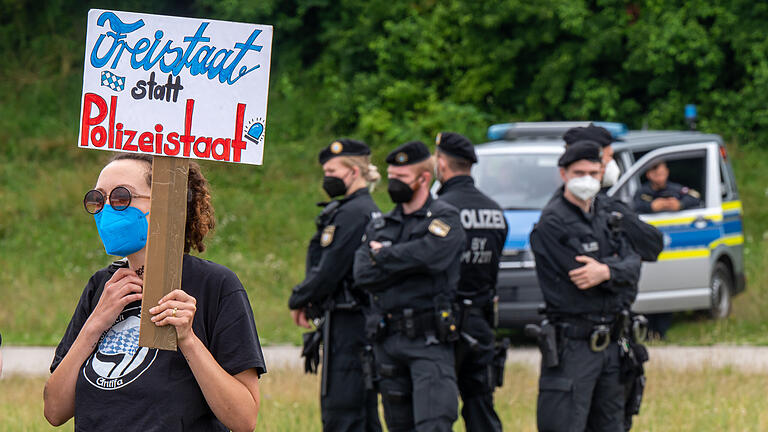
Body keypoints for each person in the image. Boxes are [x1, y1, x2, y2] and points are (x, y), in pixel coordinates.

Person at [44, 153, 266, 431]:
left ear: (165, 202)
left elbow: (244, 419)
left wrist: (188, 340)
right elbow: (54, 410)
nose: (107, 210)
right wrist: (94, 325)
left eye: (122, 197)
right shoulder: (100, 287)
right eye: (98, 199)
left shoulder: (216, 285)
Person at [353, 140, 465, 432]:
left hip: (430, 342)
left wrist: (385, 256)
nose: (393, 184)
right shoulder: (381, 225)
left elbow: (434, 257)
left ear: (423, 178)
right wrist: (412, 262)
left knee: (434, 425)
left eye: (401, 179)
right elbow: (363, 273)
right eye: (391, 177)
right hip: (389, 341)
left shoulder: (444, 216)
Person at [530, 142, 642, 432]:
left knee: (612, 425)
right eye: (579, 172)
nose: (587, 179)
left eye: (594, 172)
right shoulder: (552, 223)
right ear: (563, 174)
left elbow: (634, 266)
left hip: (612, 343)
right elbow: (583, 280)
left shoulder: (607, 216)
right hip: (574, 345)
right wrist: (616, 271)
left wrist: (606, 270)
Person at [288, 138, 383, 432]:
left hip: (349, 321)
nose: (326, 177)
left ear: (354, 172)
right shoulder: (364, 209)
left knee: (342, 411)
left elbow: (330, 270)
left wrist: (298, 298)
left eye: (332, 170)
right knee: (363, 412)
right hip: (357, 319)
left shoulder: (353, 213)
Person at [433, 132, 506, 432]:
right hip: (482, 321)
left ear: (441, 164)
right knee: (481, 406)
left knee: (438, 409)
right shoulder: (496, 211)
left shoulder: (439, 211)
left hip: (444, 325)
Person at [633, 161, 702, 214]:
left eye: (661, 173)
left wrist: (680, 204)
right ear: (648, 174)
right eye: (655, 174)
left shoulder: (675, 188)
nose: (659, 178)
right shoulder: (642, 191)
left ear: (667, 172)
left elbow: (695, 196)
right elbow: (634, 206)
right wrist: (651, 206)